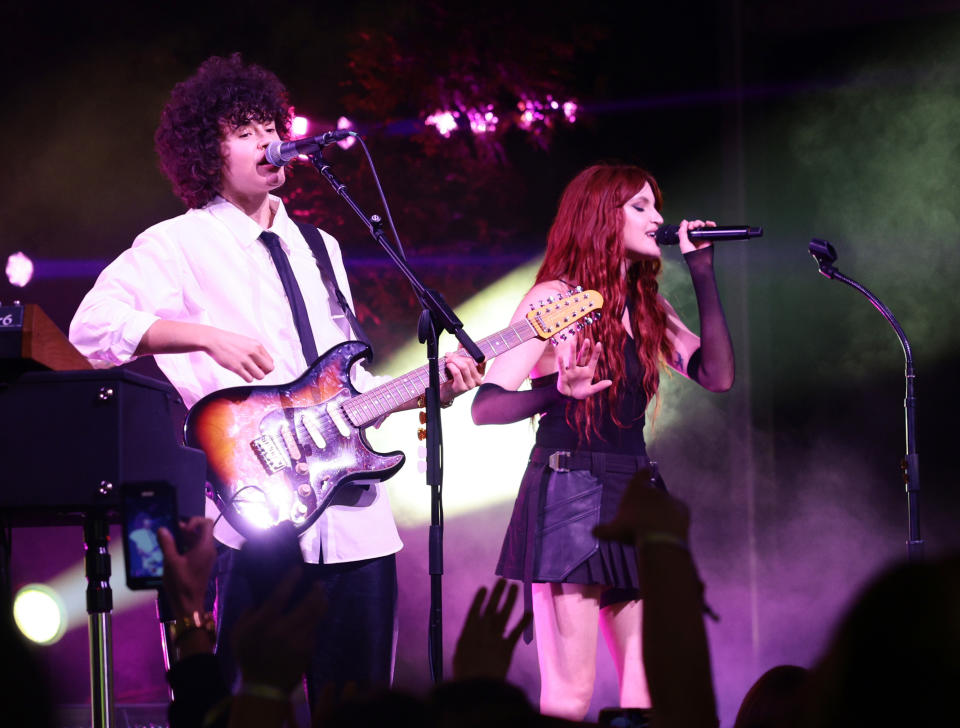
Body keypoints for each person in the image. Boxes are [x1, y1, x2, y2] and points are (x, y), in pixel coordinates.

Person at [69, 53, 482, 703]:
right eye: (243, 130)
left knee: (361, 712)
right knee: (239, 709)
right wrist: (206, 336)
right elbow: (91, 327)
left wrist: (429, 390)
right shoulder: (179, 244)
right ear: (208, 150)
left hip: (355, 527)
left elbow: (343, 387)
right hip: (246, 520)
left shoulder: (323, 248)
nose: (268, 141)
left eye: (272, 124)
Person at [471, 163, 734, 720]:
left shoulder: (645, 305)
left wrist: (703, 271)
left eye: (656, 206)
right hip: (568, 488)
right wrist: (559, 394)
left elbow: (717, 374)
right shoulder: (554, 296)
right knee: (571, 694)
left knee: (646, 692)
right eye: (640, 206)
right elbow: (486, 405)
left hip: (633, 491)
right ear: (600, 216)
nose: (658, 217)